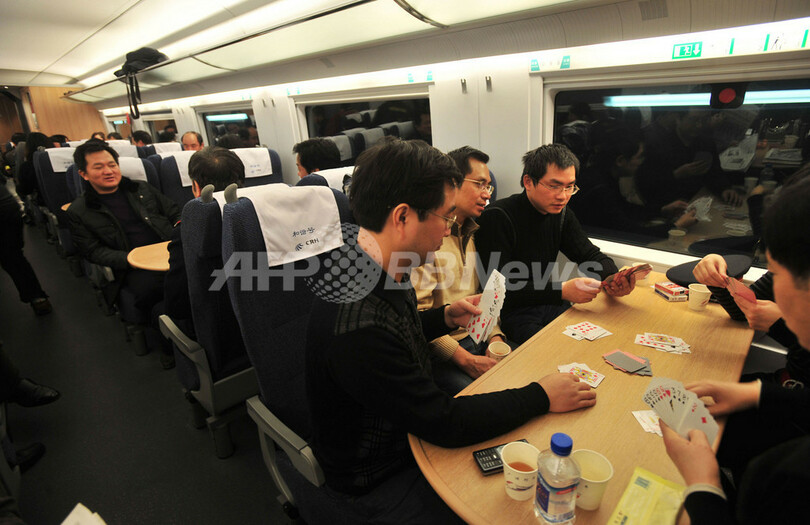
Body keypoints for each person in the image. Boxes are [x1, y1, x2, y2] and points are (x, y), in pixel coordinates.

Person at [305, 138, 596, 523]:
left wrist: (444, 317)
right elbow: (444, 422)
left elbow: (400, 333)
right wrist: (541, 395)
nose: (448, 229)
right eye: (444, 216)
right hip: (380, 475)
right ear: (403, 217)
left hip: (411, 430)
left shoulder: (381, 265)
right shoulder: (358, 323)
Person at [662, 179, 810, 524]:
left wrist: (704, 486)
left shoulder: (784, 477)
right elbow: (746, 308)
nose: (770, 280)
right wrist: (756, 393)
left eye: (775, 272)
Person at [475, 144, 635, 345]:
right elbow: (496, 290)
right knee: (561, 349)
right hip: (512, 312)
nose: (563, 196)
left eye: (569, 187)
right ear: (528, 182)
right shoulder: (497, 217)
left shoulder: (561, 214)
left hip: (549, 303)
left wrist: (614, 278)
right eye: (554, 186)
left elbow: (590, 255)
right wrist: (561, 290)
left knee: (605, 340)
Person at [66, 141, 180, 365]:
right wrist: (128, 259)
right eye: (98, 167)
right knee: (156, 290)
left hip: (169, 252)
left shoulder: (141, 189)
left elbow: (174, 212)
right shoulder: (79, 211)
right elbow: (92, 251)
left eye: (112, 164)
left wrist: (180, 231)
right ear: (83, 174)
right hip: (132, 266)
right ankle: (169, 344)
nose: (108, 171)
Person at [411, 146, 501, 394]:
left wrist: (495, 336)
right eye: (480, 184)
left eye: (489, 187)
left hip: (479, 338)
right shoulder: (429, 241)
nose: (487, 195)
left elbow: (483, 298)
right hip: (445, 353)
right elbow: (416, 319)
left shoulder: (472, 232)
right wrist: (465, 359)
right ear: (452, 184)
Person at [164, 147, 245, 332]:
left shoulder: (190, 229)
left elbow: (176, 304)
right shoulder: (260, 214)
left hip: (217, 329)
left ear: (196, 186)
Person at [573, 121, 696, 241]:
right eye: (639, 156)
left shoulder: (603, 175)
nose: (642, 162)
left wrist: (662, 210)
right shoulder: (598, 188)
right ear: (620, 161)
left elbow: (625, 208)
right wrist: (676, 226)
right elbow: (629, 233)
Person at [636, 107, 742, 213]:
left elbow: (715, 172)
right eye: (694, 120)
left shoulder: (706, 142)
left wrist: (724, 188)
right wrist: (676, 174)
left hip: (702, 202)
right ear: (678, 119)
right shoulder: (659, 145)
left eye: (703, 120)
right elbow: (647, 183)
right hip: (670, 206)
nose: (699, 125)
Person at [0, 179, 51, 314]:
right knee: (14, 258)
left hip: (4, 211)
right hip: (8, 208)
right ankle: (38, 298)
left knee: (11, 258)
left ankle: (36, 296)